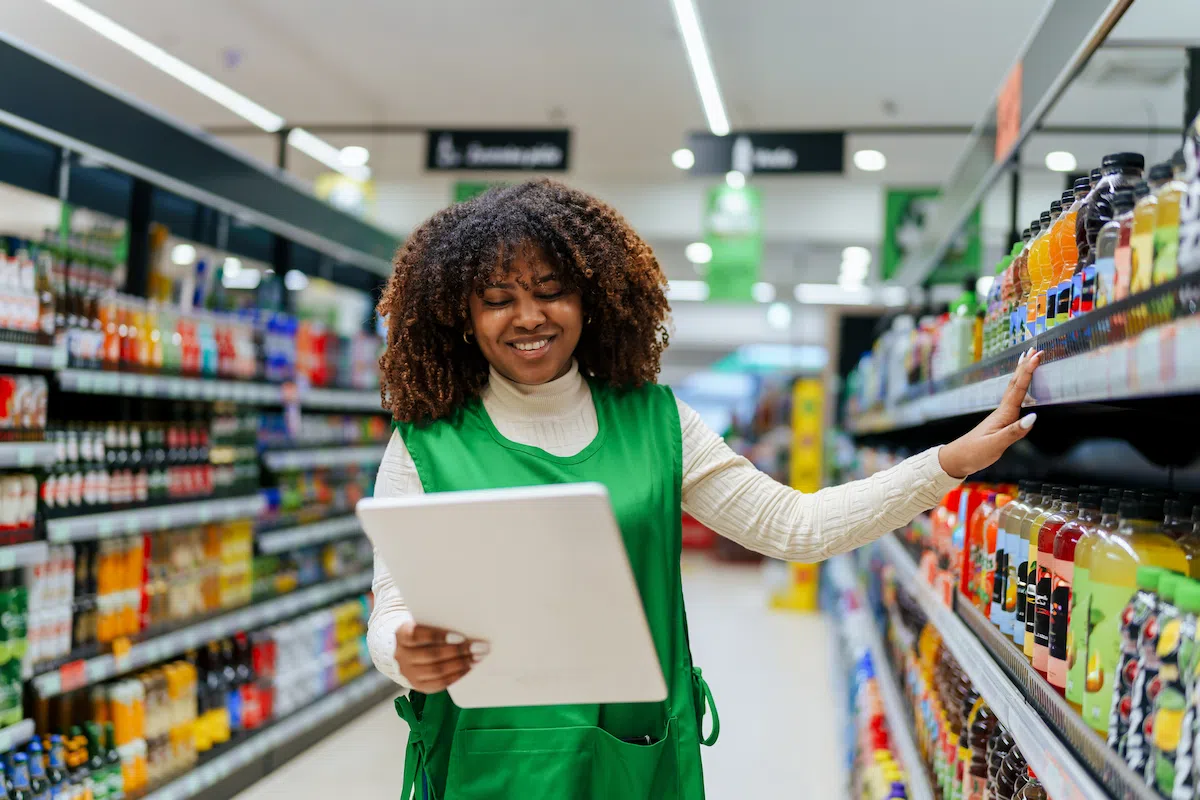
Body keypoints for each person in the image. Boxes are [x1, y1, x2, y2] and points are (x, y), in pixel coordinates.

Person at [368, 178, 1040, 799]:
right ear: (462, 315)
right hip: (486, 756)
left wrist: (946, 464)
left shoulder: (658, 424)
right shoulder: (427, 444)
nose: (528, 316)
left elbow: (795, 527)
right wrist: (405, 650)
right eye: (497, 299)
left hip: (632, 751)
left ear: (590, 298)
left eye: (550, 290)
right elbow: (392, 611)